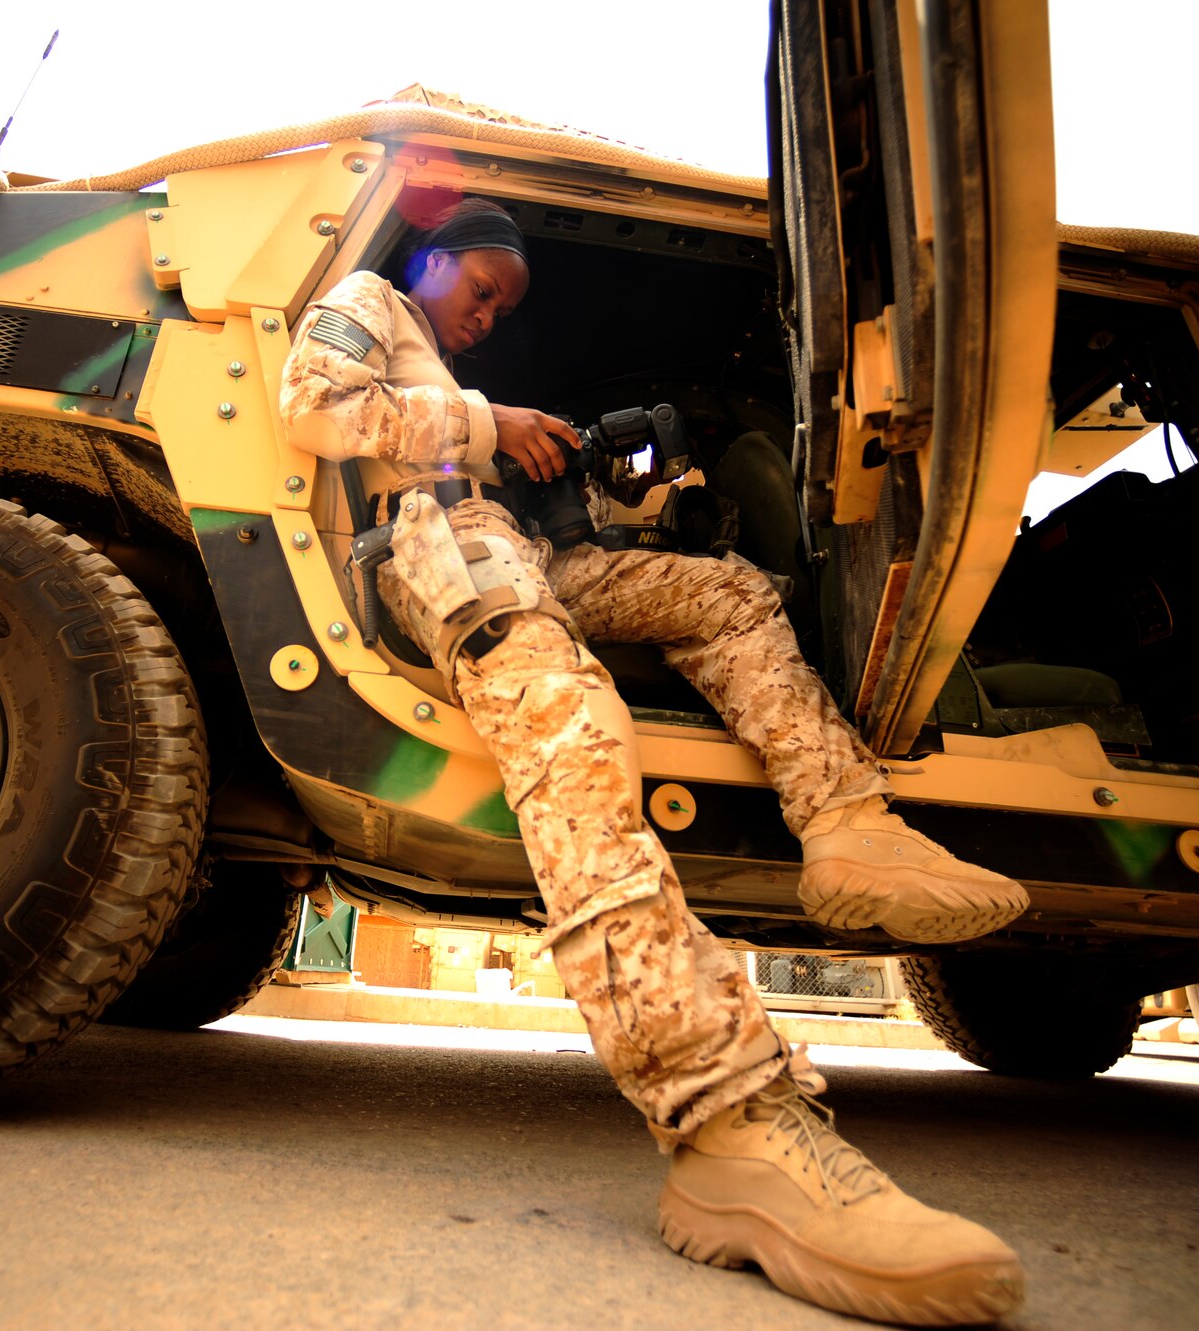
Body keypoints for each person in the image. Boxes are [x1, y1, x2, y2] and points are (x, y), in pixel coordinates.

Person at [279, 198, 1029, 1326]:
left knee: (726, 593)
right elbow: (314, 406)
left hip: (528, 541)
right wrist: (491, 424)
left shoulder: (456, 369)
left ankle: (846, 825)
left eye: (501, 304)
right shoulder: (373, 303)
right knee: (571, 723)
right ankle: (723, 1115)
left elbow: (531, 481)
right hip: (438, 542)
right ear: (430, 264)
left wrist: (597, 487)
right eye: (478, 289)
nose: (485, 314)